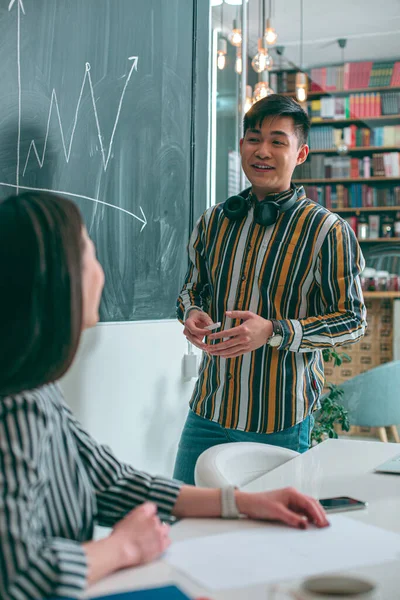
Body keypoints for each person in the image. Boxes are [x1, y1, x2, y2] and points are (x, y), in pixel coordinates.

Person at [0, 192, 329, 600]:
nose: (101, 272)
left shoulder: (39, 387)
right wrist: (123, 546)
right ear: (57, 279)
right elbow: (16, 575)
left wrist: (244, 503)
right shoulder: (16, 407)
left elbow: (111, 481)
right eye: (88, 252)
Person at [175, 94, 366, 485]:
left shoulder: (327, 231)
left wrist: (274, 331)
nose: (262, 151)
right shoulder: (213, 222)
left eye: (278, 141)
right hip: (207, 411)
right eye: (253, 138)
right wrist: (192, 313)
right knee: (183, 524)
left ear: (300, 153)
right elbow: (192, 290)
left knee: (267, 541)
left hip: (279, 421)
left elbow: (352, 321)